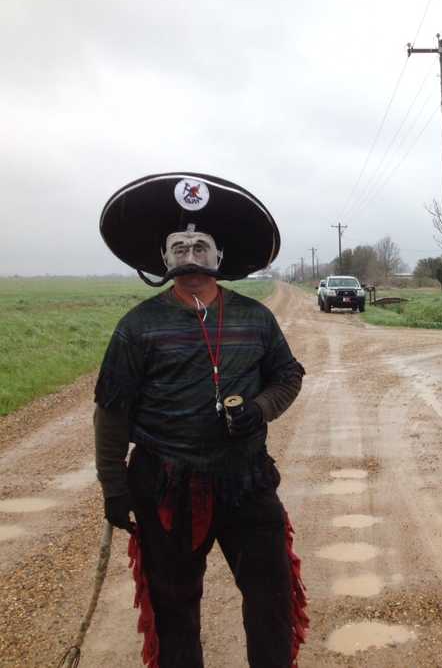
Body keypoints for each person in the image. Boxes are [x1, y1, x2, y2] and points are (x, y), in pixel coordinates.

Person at [94, 173, 308, 667]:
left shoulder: (256, 319)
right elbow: (112, 410)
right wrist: (114, 487)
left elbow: (288, 376)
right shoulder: (138, 327)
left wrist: (258, 411)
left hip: (246, 481)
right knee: (173, 612)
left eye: (200, 248)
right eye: (180, 248)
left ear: (218, 256)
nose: (190, 259)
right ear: (165, 257)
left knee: (271, 597)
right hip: (166, 486)